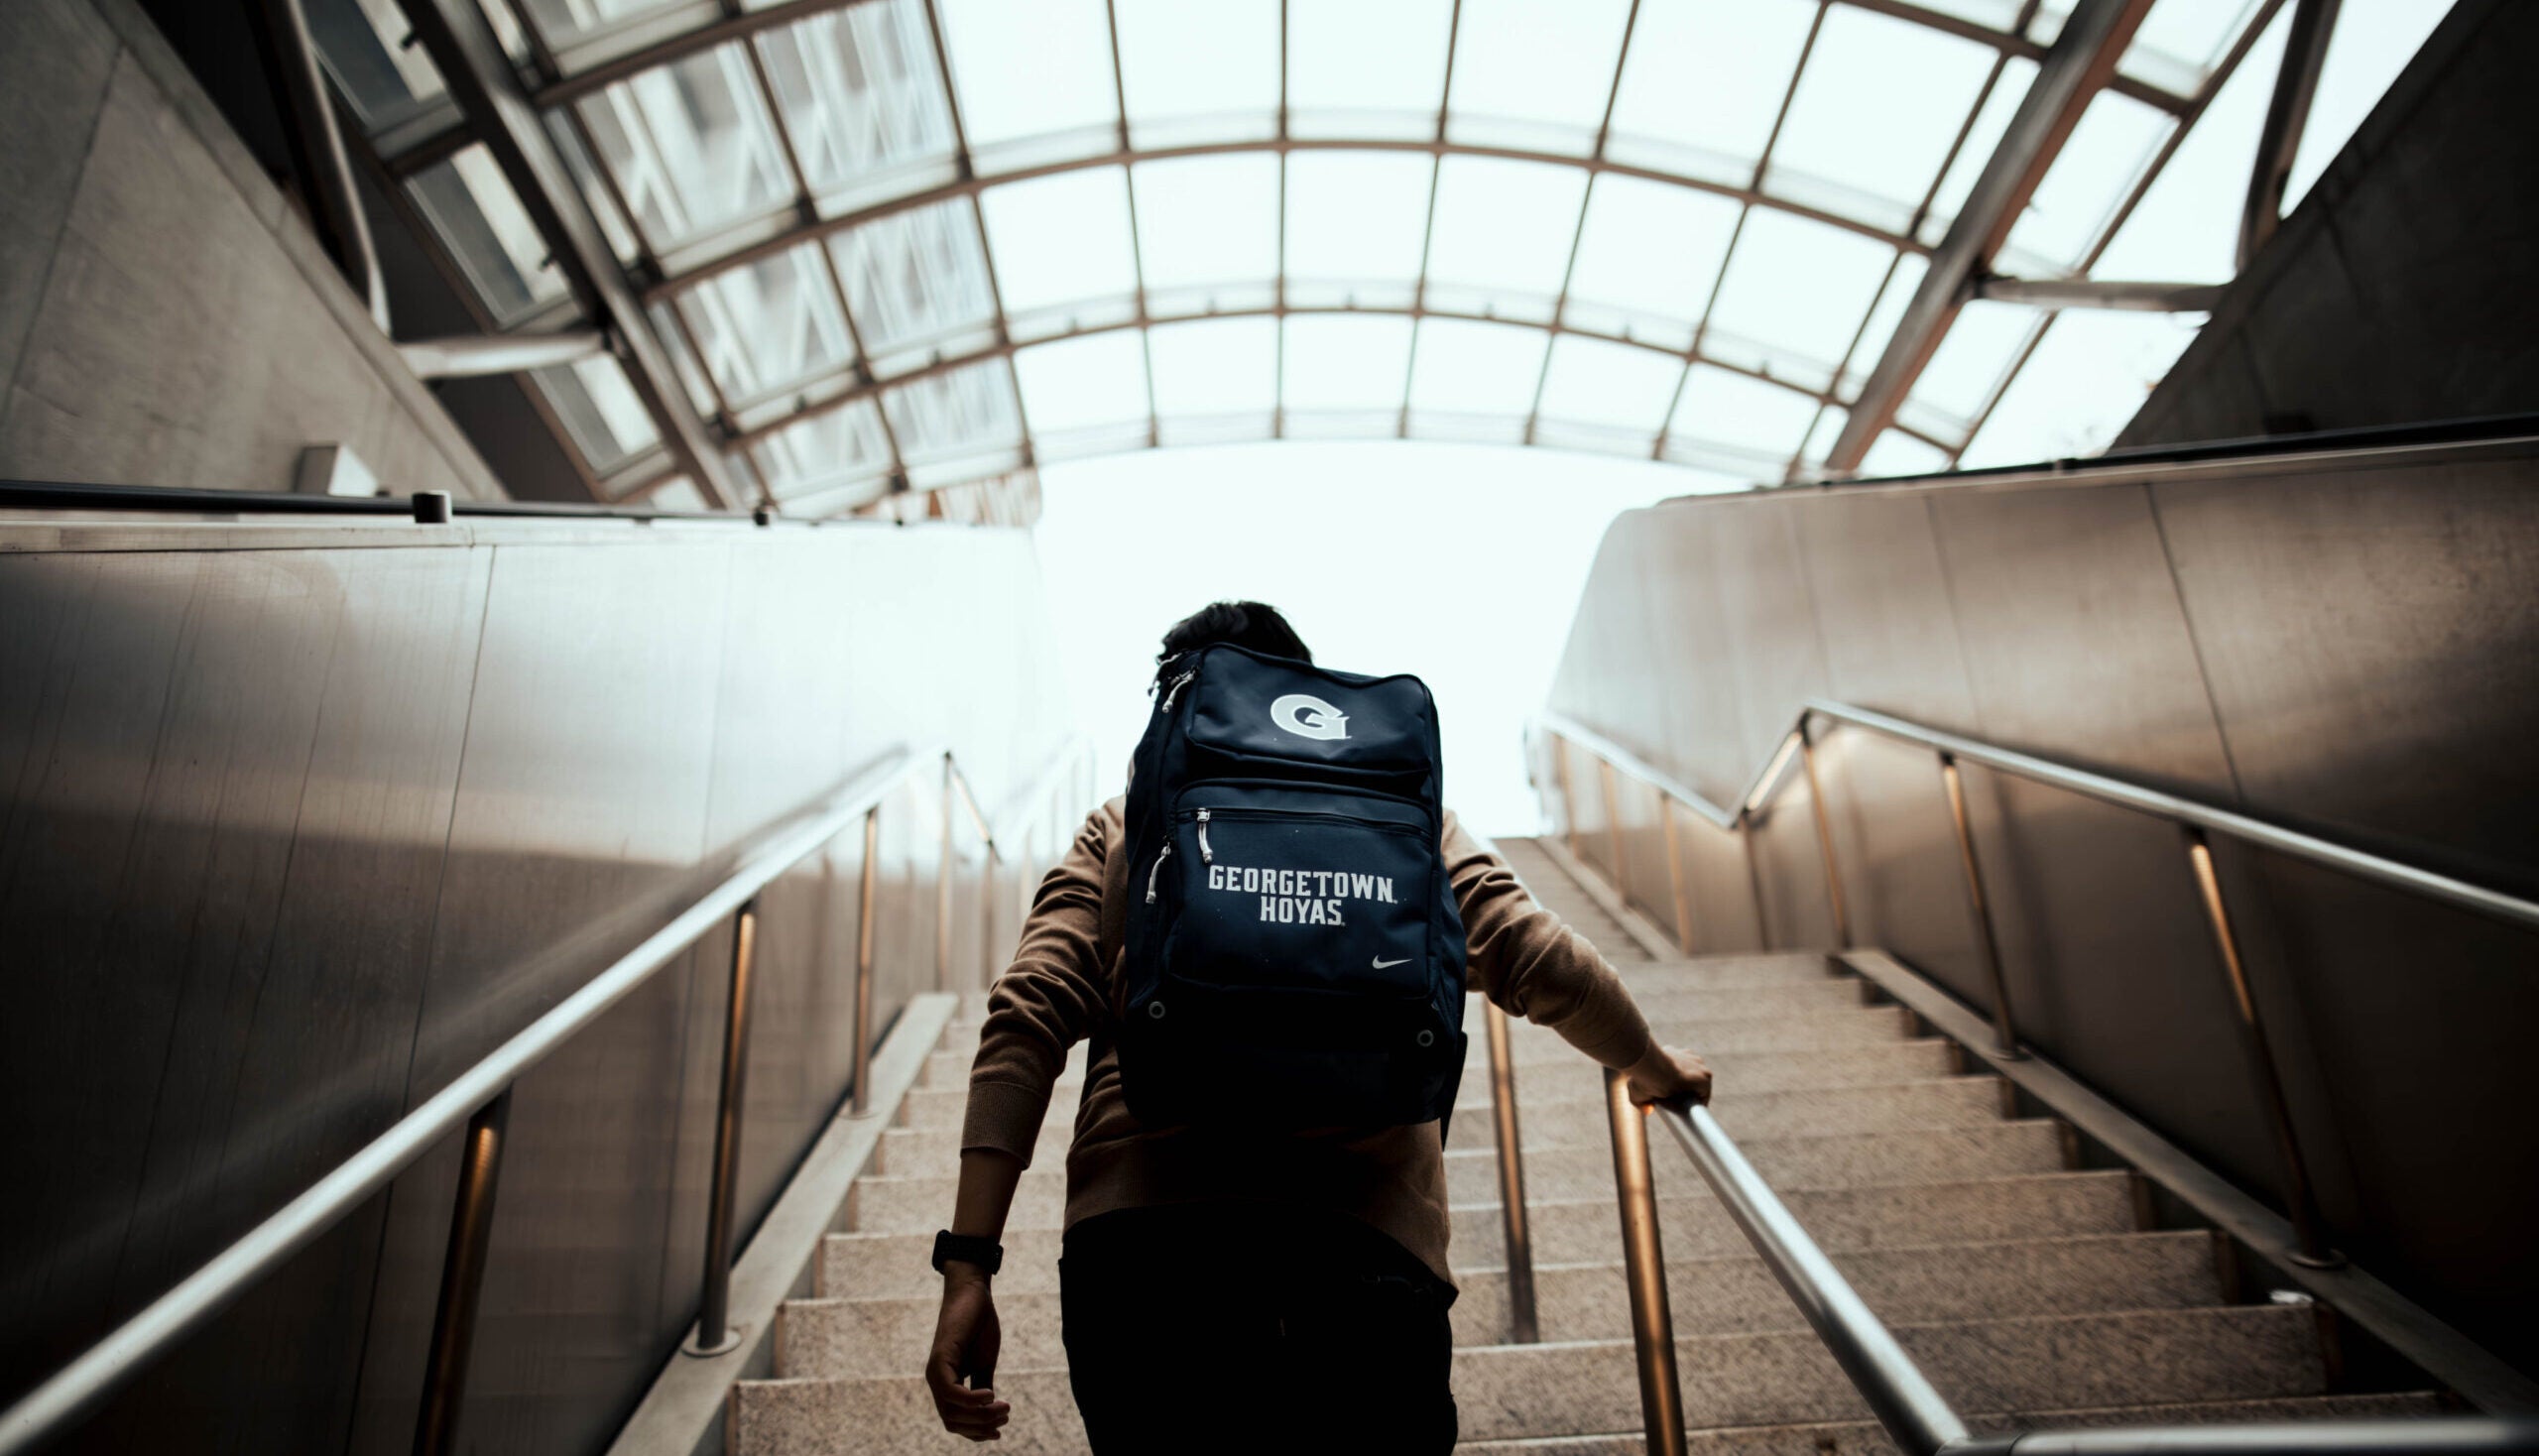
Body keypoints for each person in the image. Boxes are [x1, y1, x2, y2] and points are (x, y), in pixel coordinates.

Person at [924, 601, 1714, 1453]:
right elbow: (1537, 955)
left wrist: (970, 1261)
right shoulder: (1399, 819)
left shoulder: (1124, 826)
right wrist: (1650, 1064)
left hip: (1147, 1252)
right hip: (1362, 1249)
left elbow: (1027, 1011)